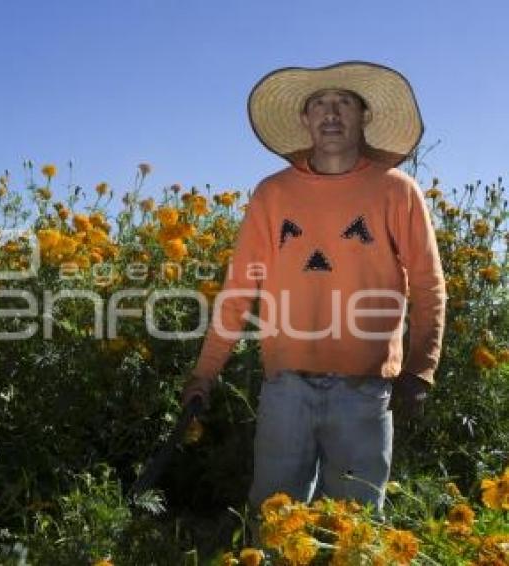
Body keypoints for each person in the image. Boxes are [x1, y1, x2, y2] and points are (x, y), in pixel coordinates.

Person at [180, 61, 447, 544]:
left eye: (344, 102)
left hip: (366, 393)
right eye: (319, 103)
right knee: (273, 529)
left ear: (364, 117)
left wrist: (420, 369)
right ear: (304, 119)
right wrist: (205, 372)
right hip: (285, 389)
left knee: (355, 532)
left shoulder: (396, 191)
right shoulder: (273, 194)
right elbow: (240, 289)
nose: (331, 113)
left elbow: (429, 285)